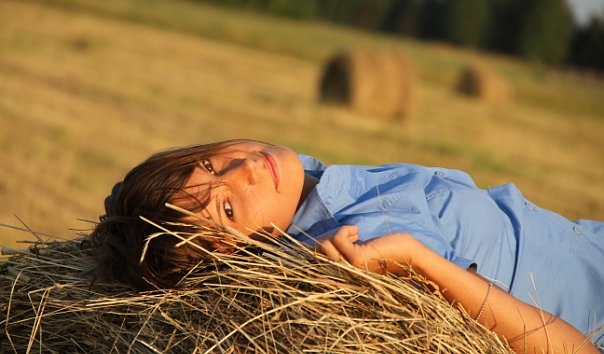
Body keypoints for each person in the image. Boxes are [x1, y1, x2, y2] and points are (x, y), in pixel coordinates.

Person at [92, 139, 603, 353]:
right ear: (241, 259)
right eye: (227, 209)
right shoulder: (356, 242)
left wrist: (126, 211)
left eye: (208, 164)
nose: (244, 168)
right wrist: (419, 261)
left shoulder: (307, 187)